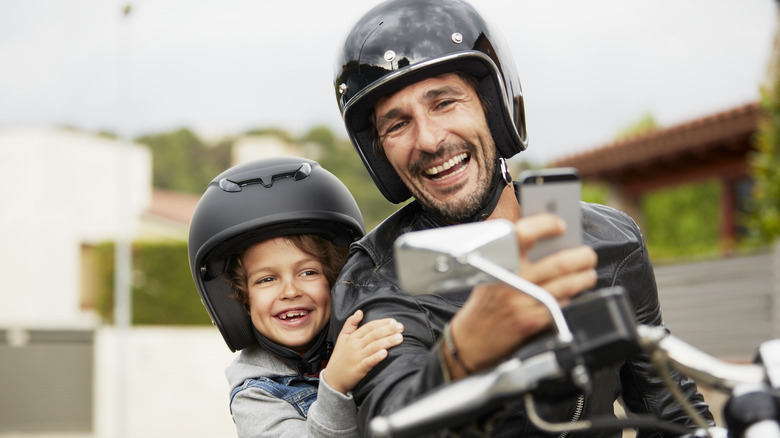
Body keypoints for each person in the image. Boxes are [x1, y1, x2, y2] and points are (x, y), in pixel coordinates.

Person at [330, 0, 714, 436]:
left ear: (492, 109)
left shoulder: (610, 240)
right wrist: (461, 354)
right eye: (397, 125)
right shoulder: (378, 280)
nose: (430, 140)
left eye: (444, 102)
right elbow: (390, 414)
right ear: (381, 154)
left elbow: (667, 401)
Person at [187, 156, 404, 437]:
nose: (290, 291)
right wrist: (335, 385)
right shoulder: (255, 397)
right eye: (267, 279)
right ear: (242, 301)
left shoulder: (368, 336)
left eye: (308, 273)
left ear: (337, 279)